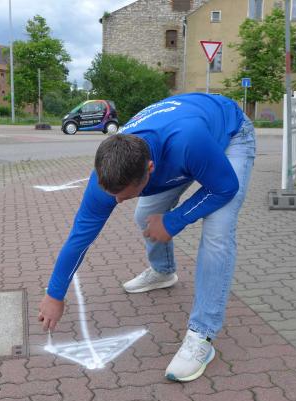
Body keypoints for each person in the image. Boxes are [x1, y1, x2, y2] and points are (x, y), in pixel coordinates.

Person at [38, 93, 256, 382]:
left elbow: (225, 188)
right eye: (112, 194)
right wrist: (55, 294)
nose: (116, 200)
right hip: (183, 142)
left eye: (123, 194)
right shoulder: (105, 181)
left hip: (228, 133)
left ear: (149, 171)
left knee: (217, 233)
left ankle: (202, 336)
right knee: (144, 214)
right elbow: (80, 237)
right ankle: (163, 272)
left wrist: (174, 220)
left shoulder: (187, 143)